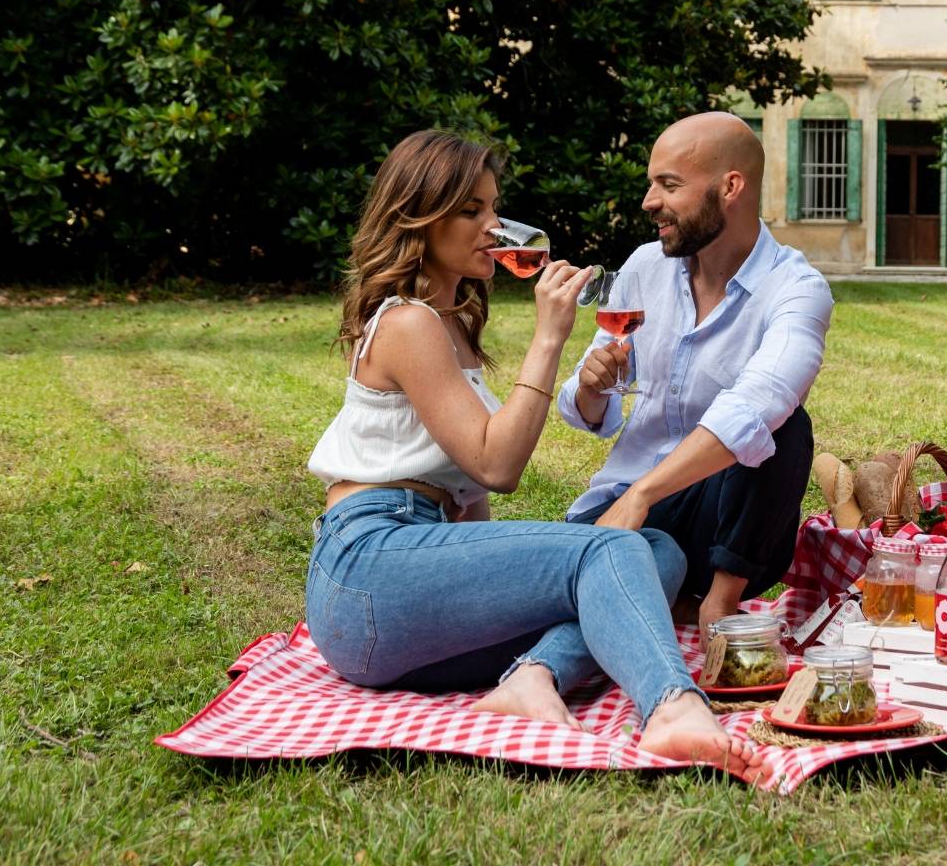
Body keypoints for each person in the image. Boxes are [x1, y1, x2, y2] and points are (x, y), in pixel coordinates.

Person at [302, 129, 764, 783]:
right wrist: (550, 338)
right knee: (611, 549)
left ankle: (535, 677)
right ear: (419, 218)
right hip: (368, 573)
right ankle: (672, 709)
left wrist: (499, 581)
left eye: (493, 209)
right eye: (471, 212)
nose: (493, 228)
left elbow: (473, 494)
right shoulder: (406, 324)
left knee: (656, 549)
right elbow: (499, 465)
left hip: (411, 601)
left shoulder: (449, 324)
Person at [558, 112, 834, 629]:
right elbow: (588, 406)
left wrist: (645, 493)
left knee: (786, 426)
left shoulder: (797, 289)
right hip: (622, 509)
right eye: (650, 184)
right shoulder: (644, 267)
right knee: (598, 569)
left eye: (668, 184)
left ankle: (718, 604)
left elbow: (759, 403)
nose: (648, 202)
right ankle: (671, 602)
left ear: (730, 187)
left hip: (723, 530)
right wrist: (594, 387)